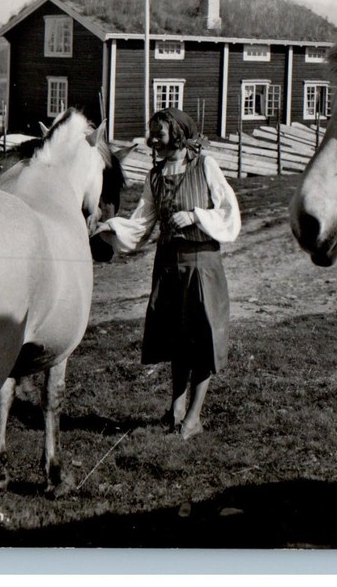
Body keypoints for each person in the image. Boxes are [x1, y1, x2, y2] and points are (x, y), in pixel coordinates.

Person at [92, 108, 241, 440]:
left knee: (202, 337)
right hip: (168, 262)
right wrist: (110, 229)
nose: (152, 140)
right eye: (151, 133)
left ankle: (194, 417)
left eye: (158, 133)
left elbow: (229, 212)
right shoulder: (155, 176)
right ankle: (176, 407)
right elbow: (143, 222)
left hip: (201, 262)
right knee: (177, 338)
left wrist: (196, 217)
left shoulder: (205, 166)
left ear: (178, 134)